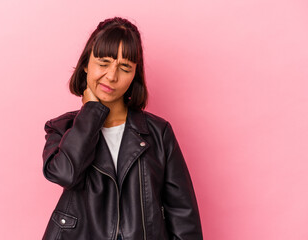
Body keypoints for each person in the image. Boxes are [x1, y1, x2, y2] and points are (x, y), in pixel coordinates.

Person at [42, 17, 203, 240]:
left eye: (124, 67)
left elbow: (184, 216)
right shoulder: (61, 128)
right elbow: (66, 174)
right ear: (86, 64)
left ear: (134, 75)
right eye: (103, 63)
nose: (111, 76)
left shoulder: (159, 132)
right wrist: (90, 113)